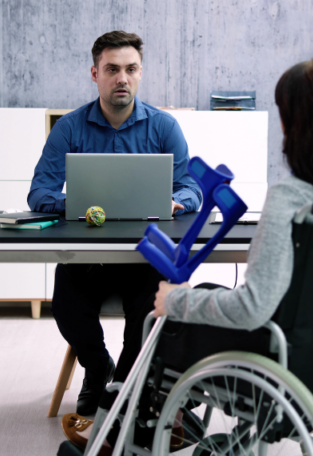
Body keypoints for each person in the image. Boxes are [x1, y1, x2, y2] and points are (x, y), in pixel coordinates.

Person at [154, 56, 313, 332]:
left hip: (282, 351)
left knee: (173, 313)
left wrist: (178, 301)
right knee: (203, 289)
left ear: (296, 125)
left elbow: (252, 308)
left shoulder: (290, 199)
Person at [27, 30, 202, 416]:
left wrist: (175, 201)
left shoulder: (163, 127)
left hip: (144, 256)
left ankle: (122, 382)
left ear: (140, 73)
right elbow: (39, 193)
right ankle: (96, 368)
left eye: (130, 69)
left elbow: (191, 188)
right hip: (89, 257)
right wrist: (80, 203)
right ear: (95, 74)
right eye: (112, 69)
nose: (122, 77)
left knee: (151, 309)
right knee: (66, 305)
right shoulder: (69, 128)